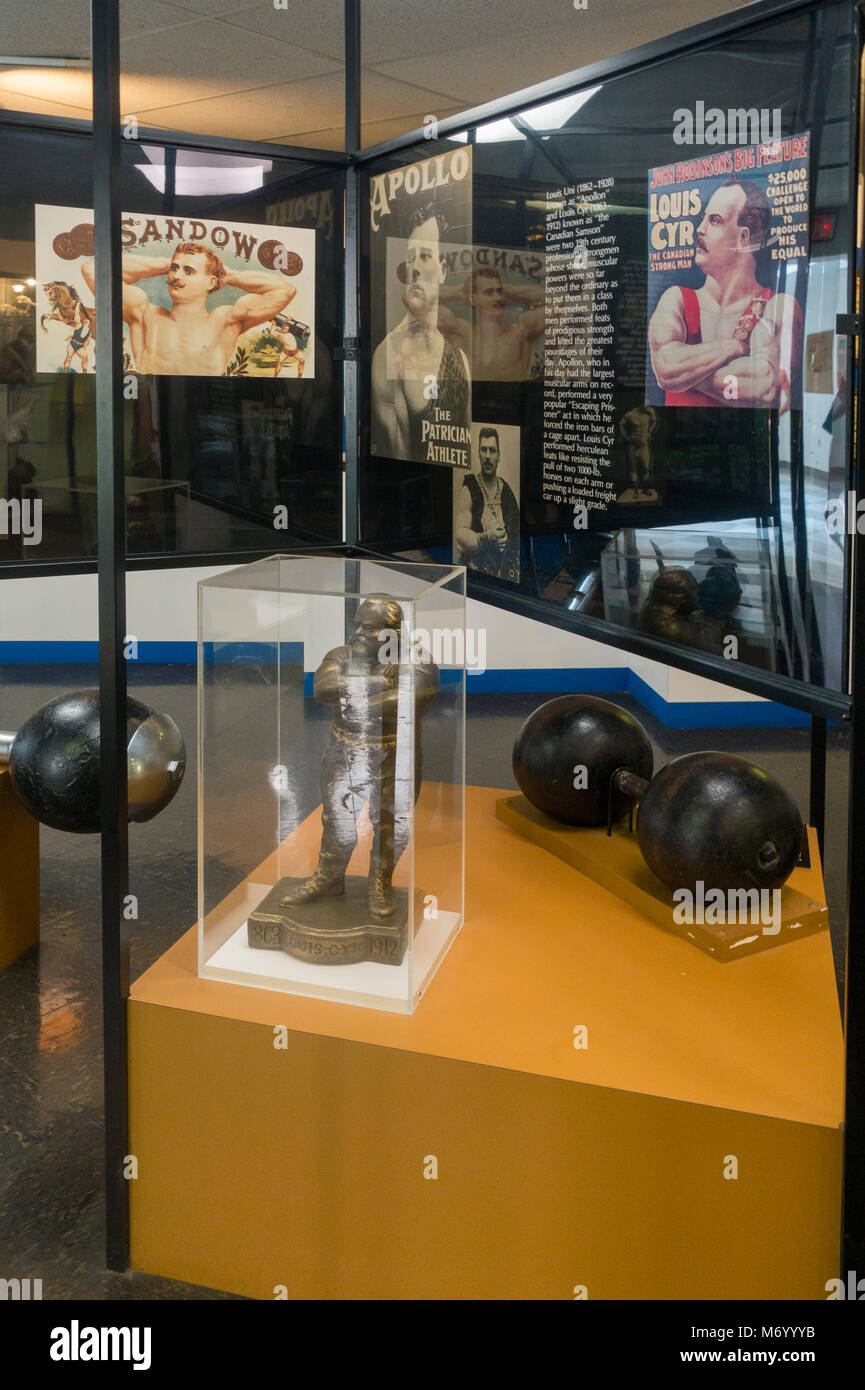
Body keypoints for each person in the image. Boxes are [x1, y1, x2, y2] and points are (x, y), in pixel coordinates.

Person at [282, 597, 439, 922]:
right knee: (338, 824)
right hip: (346, 751)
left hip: (397, 754)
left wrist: (354, 696)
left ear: (391, 634)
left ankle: (380, 881)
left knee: (390, 825)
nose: (355, 633)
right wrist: (378, 683)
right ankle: (328, 879)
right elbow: (323, 688)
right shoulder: (341, 655)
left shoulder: (417, 658)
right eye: (355, 624)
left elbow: (412, 699)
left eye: (366, 628)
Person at [648, 177, 802, 408]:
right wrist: (734, 348)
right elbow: (665, 368)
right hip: (676, 441)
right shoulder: (676, 299)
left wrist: (687, 374)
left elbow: (765, 386)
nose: (699, 230)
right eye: (703, 219)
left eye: (715, 221)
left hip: (744, 442)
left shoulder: (777, 305)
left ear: (743, 237)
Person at [81, 242, 295, 376]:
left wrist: (229, 276)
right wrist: (166, 264)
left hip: (210, 413)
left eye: (189, 271)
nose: (176, 276)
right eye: (174, 269)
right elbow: (93, 270)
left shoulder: (224, 321)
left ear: (211, 283)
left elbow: (284, 290)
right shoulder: (144, 315)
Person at [371, 204, 470, 461]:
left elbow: (466, 452)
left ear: (443, 270)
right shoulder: (390, 354)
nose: (414, 267)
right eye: (410, 256)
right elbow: (395, 462)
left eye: (425, 256)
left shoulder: (459, 359)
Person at [440, 267, 545, 381]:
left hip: (512, 398)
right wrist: (460, 293)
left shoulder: (519, 333)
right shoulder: (461, 332)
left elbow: (556, 301)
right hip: (473, 397)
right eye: (489, 292)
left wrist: (507, 290)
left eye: (499, 292)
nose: (498, 298)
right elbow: (421, 304)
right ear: (472, 299)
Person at [455, 427, 520, 581]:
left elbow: (518, 533)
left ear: (499, 456)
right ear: (478, 454)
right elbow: (460, 538)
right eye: (484, 450)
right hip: (476, 577)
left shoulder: (507, 491)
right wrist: (486, 538)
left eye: (492, 451)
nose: (488, 456)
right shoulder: (468, 489)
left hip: (506, 576)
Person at [62, 300, 94, 373]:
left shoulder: (89, 332)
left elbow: (88, 340)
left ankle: (84, 373)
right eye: (85, 321)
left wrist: (86, 345)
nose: (85, 322)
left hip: (80, 346)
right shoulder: (78, 325)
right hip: (72, 344)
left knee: (85, 358)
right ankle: (65, 373)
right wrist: (77, 305)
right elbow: (77, 314)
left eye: (87, 321)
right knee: (69, 358)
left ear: (89, 323)